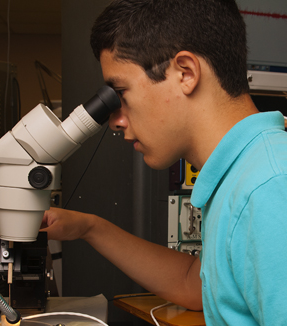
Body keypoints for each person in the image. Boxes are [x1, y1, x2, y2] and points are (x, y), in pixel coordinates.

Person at [40, 0, 287, 325]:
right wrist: (89, 228)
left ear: (185, 73)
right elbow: (193, 285)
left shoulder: (269, 187)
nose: (115, 121)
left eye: (121, 94)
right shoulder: (243, 176)